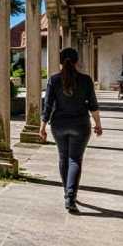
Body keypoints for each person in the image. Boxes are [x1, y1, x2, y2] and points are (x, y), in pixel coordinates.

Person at [38, 47, 103, 213]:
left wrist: (42, 126)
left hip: (59, 125)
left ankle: (67, 193)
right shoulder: (86, 80)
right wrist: (98, 124)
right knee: (75, 159)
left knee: (63, 158)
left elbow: (48, 106)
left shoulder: (53, 80)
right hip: (80, 125)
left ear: (60, 62)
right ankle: (71, 197)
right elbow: (93, 105)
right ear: (77, 61)